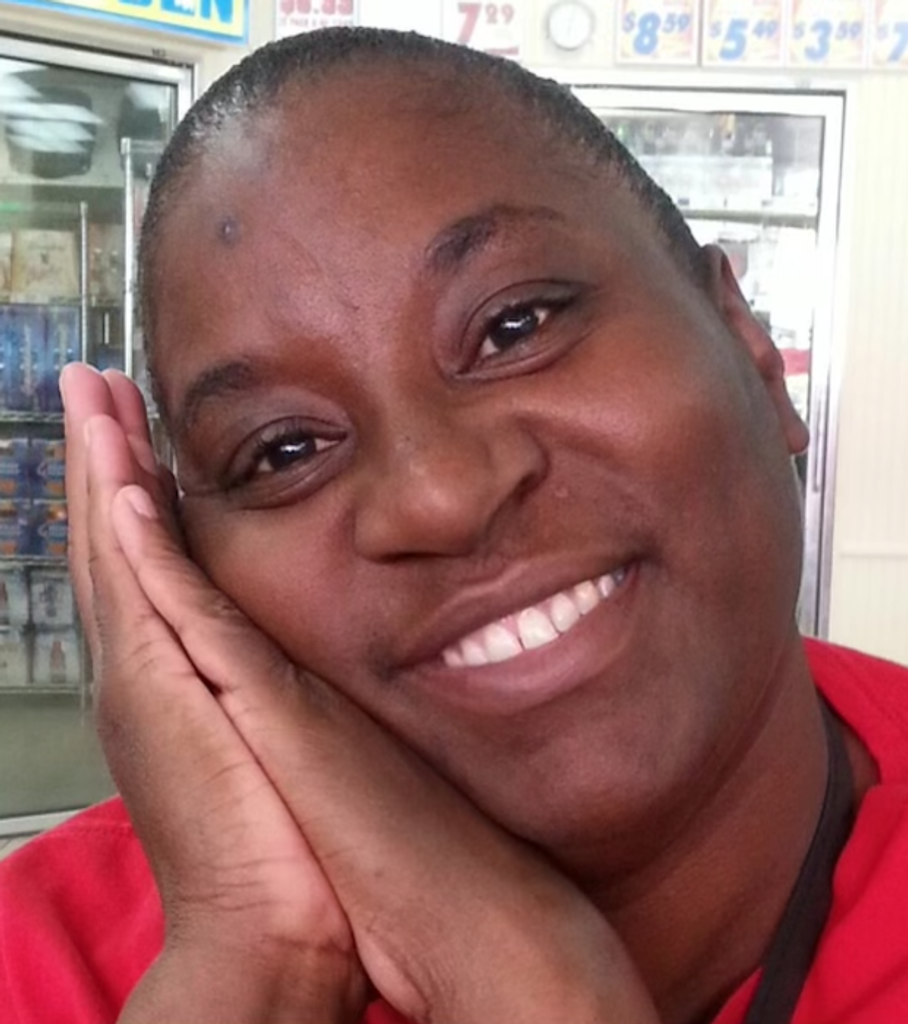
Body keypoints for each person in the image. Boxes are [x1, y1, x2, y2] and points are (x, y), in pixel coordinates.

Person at [1, 26, 907, 1024]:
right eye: (285, 450)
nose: (437, 495)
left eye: (516, 325)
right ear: (182, 570)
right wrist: (260, 958)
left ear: (751, 350)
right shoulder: (42, 965)